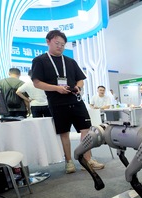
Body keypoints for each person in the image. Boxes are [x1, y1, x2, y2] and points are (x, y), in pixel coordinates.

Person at [31, 30, 104, 174]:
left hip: (76, 100)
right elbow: (37, 83)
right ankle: (69, 161)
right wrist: (56, 88)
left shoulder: (70, 61)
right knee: (64, 133)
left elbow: (80, 79)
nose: (60, 46)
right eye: (57, 43)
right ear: (48, 41)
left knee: (86, 130)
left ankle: (87, 160)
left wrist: (78, 87)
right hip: (57, 102)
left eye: (63, 45)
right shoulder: (40, 61)